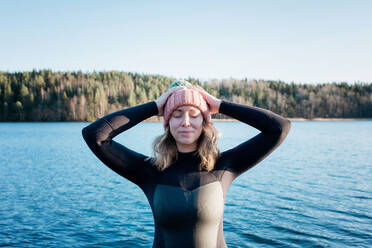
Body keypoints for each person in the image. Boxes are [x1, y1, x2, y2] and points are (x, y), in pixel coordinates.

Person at [82, 80, 291, 248]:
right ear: (167, 123)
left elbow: (279, 128)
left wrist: (218, 105)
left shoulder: (225, 166)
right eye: (176, 114)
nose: (186, 122)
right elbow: (95, 135)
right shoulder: (149, 171)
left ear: (205, 121)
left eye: (194, 114)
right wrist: (155, 106)